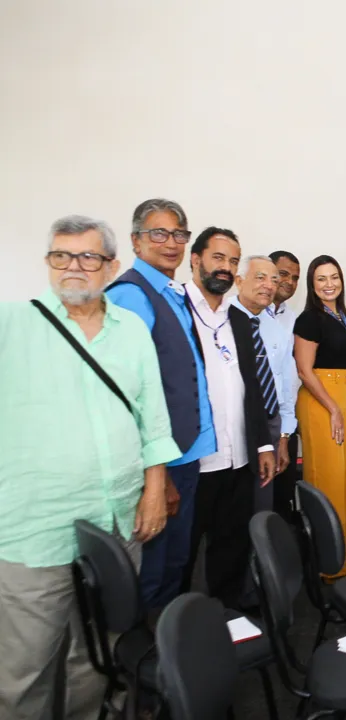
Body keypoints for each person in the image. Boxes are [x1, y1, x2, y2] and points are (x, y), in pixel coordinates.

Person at [0, 216, 179, 720]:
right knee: (24, 669)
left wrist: (153, 491)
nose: (73, 268)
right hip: (34, 534)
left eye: (87, 257)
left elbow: (154, 419)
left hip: (118, 523)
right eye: (61, 256)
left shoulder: (131, 332)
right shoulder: (14, 325)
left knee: (98, 655)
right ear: (47, 262)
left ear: (111, 266)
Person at [107, 198, 216, 610]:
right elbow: (125, 396)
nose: (170, 243)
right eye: (158, 233)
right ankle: (145, 662)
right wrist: (160, 478)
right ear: (136, 242)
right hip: (162, 462)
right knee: (153, 569)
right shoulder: (131, 296)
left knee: (175, 562)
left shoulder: (170, 292)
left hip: (185, 454)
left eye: (178, 234)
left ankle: (170, 654)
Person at [182, 229, 274, 609]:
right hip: (193, 462)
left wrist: (264, 444)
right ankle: (177, 634)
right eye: (218, 258)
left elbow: (251, 387)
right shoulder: (179, 311)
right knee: (183, 552)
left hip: (238, 456)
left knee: (231, 543)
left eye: (233, 261)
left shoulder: (236, 318)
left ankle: (228, 615)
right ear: (195, 259)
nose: (225, 267)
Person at [293, 255, 346, 575]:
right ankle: (326, 563)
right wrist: (333, 408)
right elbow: (305, 371)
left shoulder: (341, 316)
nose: (329, 284)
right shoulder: (309, 318)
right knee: (328, 480)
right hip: (323, 402)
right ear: (312, 284)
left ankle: (345, 559)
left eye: (334, 277)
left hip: (345, 398)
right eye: (321, 279)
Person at [231, 255, 297, 510]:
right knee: (231, 510)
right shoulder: (222, 320)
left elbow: (286, 384)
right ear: (239, 281)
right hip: (235, 425)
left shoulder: (275, 328)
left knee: (262, 506)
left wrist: (283, 435)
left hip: (269, 426)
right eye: (260, 277)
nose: (269, 285)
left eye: (273, 279)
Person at [267, 250, 302, 519]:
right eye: (283, 274)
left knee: (282, 497)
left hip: (286, 425)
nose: (289, 281)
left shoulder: (293, 319)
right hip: (255, 425)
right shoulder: (240, 312)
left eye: (295, 278)